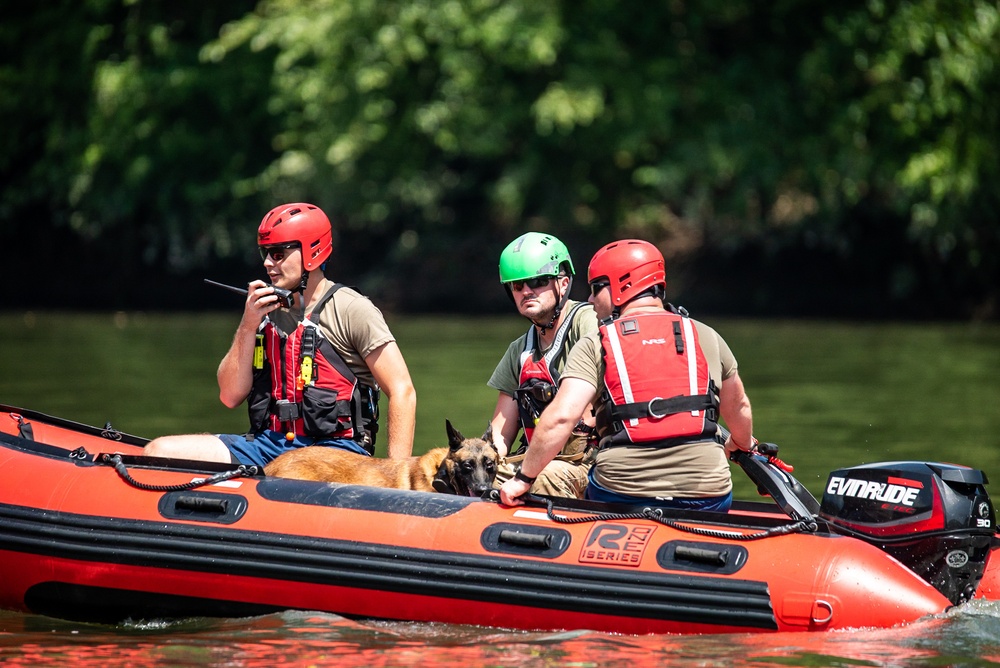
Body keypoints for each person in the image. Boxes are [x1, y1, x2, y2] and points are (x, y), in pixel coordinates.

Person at [145, 202, 416, 466]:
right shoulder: (262, 312)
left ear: (311, 253)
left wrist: (395, 475)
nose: (267, 263)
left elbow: (402, 390)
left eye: (277, 253)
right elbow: (229, 396)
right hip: (269, 445)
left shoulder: (352, 309)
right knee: (158, 450)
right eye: (265, 253)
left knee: (293, 468)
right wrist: (248, 324)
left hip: (337, 453)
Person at [499, 239, 754, 512]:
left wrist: (523, 479)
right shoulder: (706, 335)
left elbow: (561, 418)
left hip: (621, 495)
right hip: (710, 497)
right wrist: (741, 443)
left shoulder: (597, 343)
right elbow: (739, 406)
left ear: (621, 287)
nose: (590, 299)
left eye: (596, 288)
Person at [486, 232, 598, 498]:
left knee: (545, 477)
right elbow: (500, 436)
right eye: (517, 285)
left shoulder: (589, 323)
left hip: (591, 461)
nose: (526, 291)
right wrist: (479, 463)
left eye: (537, 281)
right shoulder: (519, 350)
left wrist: (527, 473)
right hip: (537, 461)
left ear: (563, 283)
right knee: (467, 473)